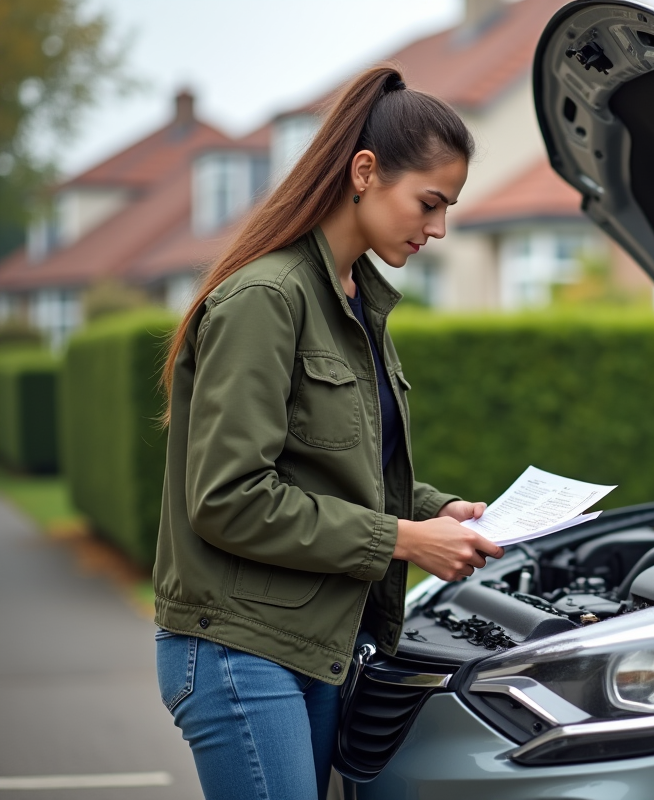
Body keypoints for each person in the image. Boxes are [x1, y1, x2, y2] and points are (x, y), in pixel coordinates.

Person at [151, 65, 504, 800]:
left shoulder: (354, 301)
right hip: (237, 647)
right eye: (429, 203)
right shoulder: (266, 298)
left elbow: (331, 468)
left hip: (318, 645)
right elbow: (229, 499)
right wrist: (405, 540)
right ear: (366, 172)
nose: (438, 229)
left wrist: (433, 509)